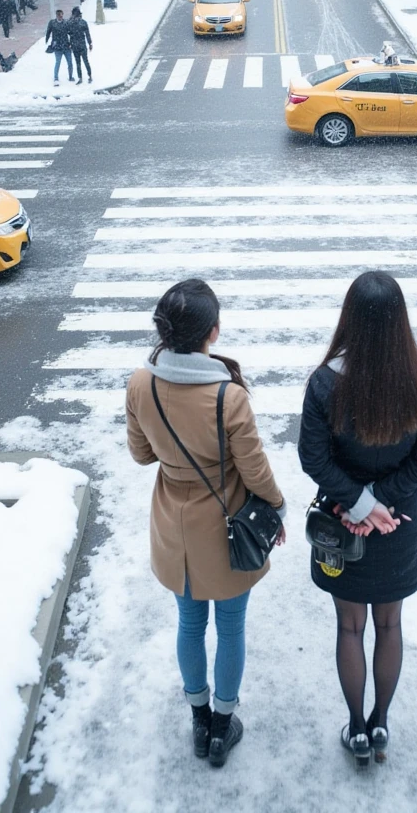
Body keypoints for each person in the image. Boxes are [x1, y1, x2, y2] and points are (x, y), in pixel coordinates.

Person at [126, 279, 286, 768]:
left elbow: (140, 453)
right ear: (212, 333)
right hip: (226, 525)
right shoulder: (227, 397)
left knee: (189, 623)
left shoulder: (140, 383)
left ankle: (198, 717)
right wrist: (275, 506)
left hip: (174, 529)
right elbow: (253, 467)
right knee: (231, 627)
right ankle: (222, 724)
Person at [298, 271, 417, 769]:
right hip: (399, 525)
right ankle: (381, 720)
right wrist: (382, 504)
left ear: (350, 320)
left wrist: (358, 505)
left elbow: (314, 460)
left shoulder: (324, 384)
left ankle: (356, 729)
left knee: (348, 628)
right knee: (389, 624)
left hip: (342, 526)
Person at [45, 9, 74, 87]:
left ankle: (71, 76)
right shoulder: (52, 23)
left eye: (61, 15)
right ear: (56, 15)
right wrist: (47, 40)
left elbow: (70, 33)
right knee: (58, 62)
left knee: (70, 62)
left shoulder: (66, 23)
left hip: (66, 45)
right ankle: (56, 78)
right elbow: (48, 32)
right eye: (58, 15)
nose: (60, 17)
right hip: (57, 47)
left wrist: (71, 42)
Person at [67, 6, 92, 84]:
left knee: (78, 62)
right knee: (86, 61)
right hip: (82, 44)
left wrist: (69, 43)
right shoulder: (83, 22)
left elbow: (68, 33)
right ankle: (90, 76)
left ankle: (80, 78)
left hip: (74, 45)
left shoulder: (70, 23)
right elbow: (87, 34)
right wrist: (90, 43)